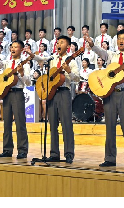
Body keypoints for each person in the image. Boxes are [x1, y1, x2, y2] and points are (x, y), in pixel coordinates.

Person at [87, 29, 124, 169]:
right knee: (110, 127)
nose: (121, 41)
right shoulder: (112, 55)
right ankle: (110, 158)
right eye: (119, 38)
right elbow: (101, 53)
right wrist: (93, 45)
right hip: (110, 93)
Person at [30, 35, 80, 164]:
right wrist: (32, 55)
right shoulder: (52, 59)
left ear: (68, 46)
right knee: (52, 124)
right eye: (58, 42)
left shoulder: (72, 60)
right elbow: (42, 61)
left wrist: (69, 71)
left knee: (66, 125)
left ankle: (69, 153)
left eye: (62, 42)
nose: (59, 44)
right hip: (52, 93)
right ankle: (54, 153)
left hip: (64, 92)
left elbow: (77, 78)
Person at [0, 40, 31, 159]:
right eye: (11, 47)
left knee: (20, 123)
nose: (13, 49)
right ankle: (7, 149)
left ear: (21, 49)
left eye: (16, 47)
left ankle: (22, 150)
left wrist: (22, 73)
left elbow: (28, 82)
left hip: (18, 93)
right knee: (6, 123)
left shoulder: (25, 64)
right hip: (6, 94)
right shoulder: (7, 62)